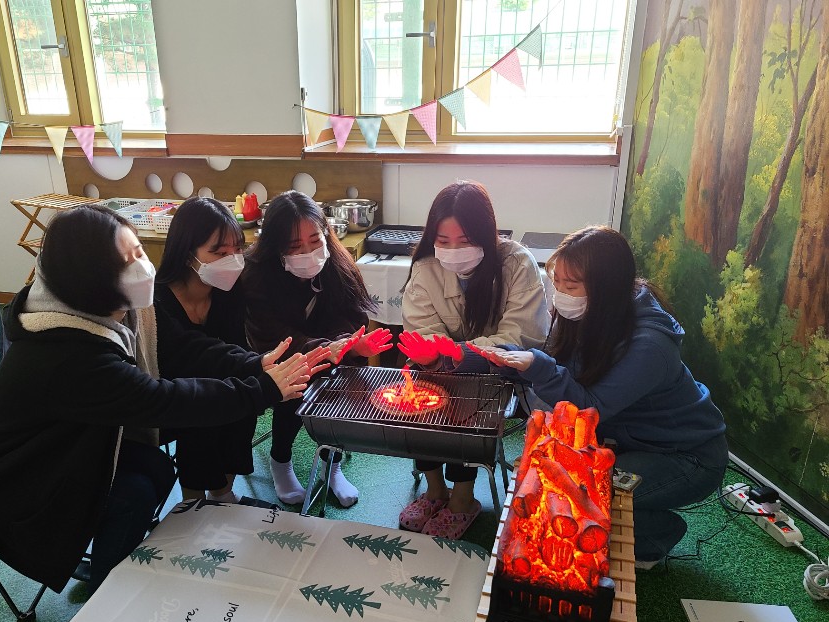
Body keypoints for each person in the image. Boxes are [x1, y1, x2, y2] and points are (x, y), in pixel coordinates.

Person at [0, 204, 313, 594]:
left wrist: (254, 364)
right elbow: (162, 400)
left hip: (72, 442)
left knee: (154, 468)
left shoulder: (113, 308)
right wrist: (263, 389)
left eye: (140, 251)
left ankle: (117, 563)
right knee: (134, 493)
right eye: (127, 259)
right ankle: (108, 593)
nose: (143, 266)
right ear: (92, 273)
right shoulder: (67, 353)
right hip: (18, 478)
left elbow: (186, 347)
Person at [463, 225, 728, 566]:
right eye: (557, 282)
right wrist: (492, 358)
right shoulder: (590, 312)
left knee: (580, 497)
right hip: (631, 439)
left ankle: (656, 534)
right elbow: (556, 364)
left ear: (606, 288)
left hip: (686, 456)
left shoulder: (651, 345)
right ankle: (632, 521)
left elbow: (590, 408)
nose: (561, 294)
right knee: (556, 486)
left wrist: (537, 367)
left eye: (571, 286)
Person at [397, 180, 550, 540]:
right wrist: (432, 355)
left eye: (464, 240)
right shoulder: (425, 267)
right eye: (443, 240)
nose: (453, 251)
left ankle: (463, 498)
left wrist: (460, 354)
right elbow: (421, 327)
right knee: (417, 395)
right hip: (441, 368)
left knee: (466, 397)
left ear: (486, 235)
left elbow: (521, 336)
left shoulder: (516, 264)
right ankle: (434, 490)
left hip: (497, 373)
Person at [241, 190, 391, 507]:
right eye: (295, 246)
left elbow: (351, 316)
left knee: (342, 381)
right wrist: (326, 348)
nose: (309, 252)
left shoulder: (338, 264)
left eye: (315, 240)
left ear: (326, 233)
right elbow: (270, 336)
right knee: (296, 380)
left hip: (329, 351)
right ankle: (280, 459)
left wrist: (351, 344)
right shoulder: (256, 276)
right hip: (278, 356)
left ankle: (331, 464)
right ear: (275, 246)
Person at [154, 197, 267, 503]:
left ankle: (222, 492)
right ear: (187, 253)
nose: (232, 260)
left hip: (218, 381)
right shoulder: (157, 301)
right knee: (202, 412)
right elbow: (173, 363)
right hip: (170, 393)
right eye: (219, 252)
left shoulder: (230, 291)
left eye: (237, 249)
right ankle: (193, 501)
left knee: (244, 400)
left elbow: (235, 348)